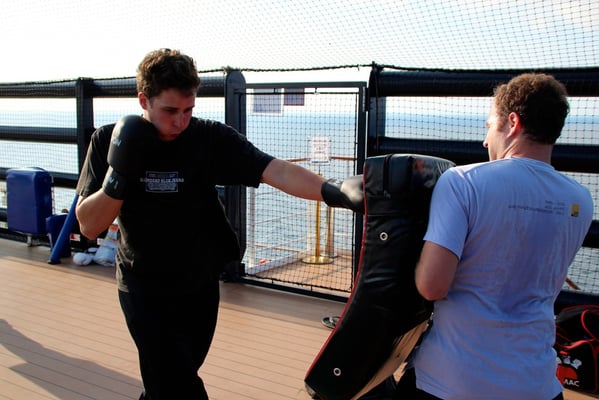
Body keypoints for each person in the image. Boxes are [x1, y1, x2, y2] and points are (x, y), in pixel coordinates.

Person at [75, 48, 360, 400]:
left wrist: (336, 191)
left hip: (199, 283)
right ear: (144, 100)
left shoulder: (208, 138)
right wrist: (119, 174)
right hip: (143, 285)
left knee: (171, 380)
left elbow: (276, 170)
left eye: (188, 110)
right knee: (175, 382)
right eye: (170, 111)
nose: (180, 121)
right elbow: (89, 226)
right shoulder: (109, 141)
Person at [395, 73, 594, 399]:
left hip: (452, 382)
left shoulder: (463, 182)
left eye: (490, 126)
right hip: (538, 384)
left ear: (512, 122)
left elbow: (432, 286)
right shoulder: (580, 200)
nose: (486, 141)